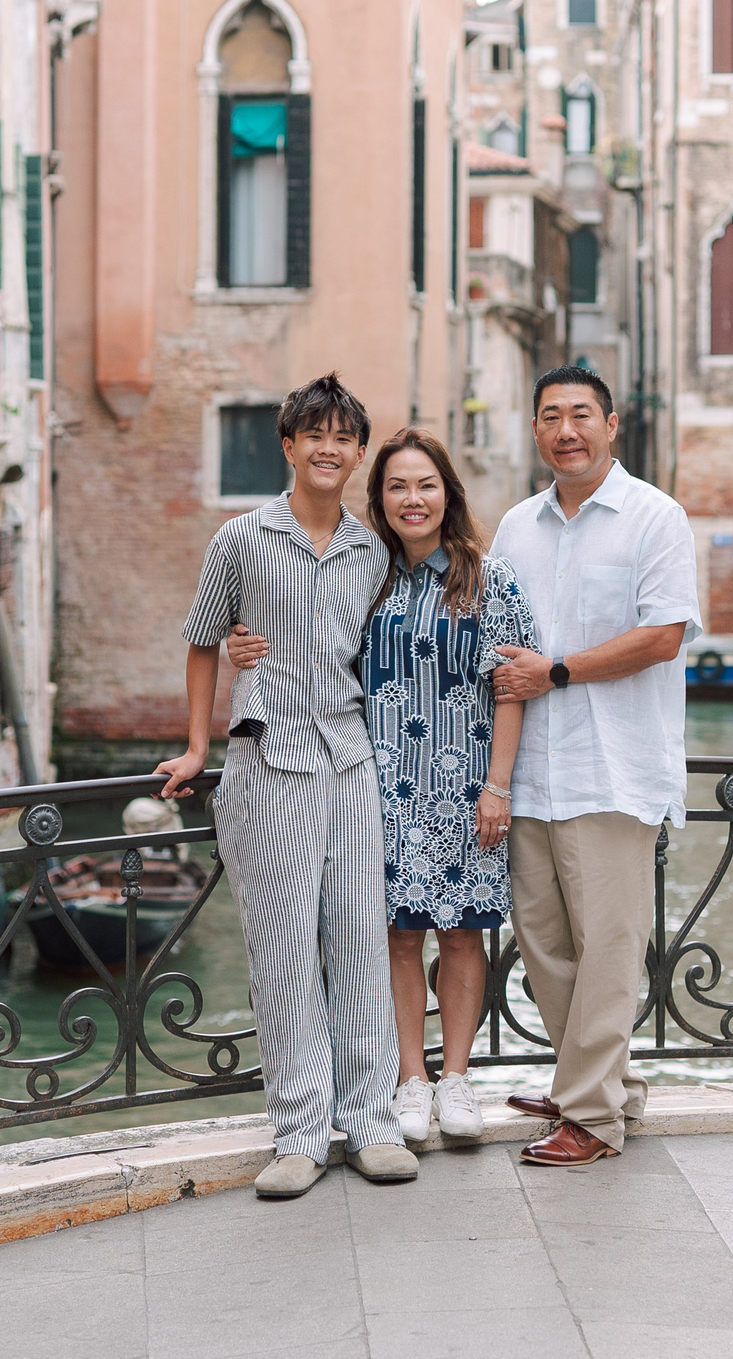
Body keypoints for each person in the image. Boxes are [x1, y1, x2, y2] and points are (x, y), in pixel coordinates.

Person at [226, 430, 537, 1147]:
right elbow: (304, 634)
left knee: (462, 934)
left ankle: (455, 1077)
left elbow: (512, 688)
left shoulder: (490, 579)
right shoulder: (369, 572)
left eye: (426, 485)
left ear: (448, 493)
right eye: (397, 486)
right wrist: (244, 644)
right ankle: (409, 1078)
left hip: (465, 788)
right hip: (377, 784)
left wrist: (497, 787)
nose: (412, 499)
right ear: (381, 497)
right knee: (394, 937)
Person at [155, 374, 419, 1199]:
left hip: (353, 762)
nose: (328, 448)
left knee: (360, 943)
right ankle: (301, 1133)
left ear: (359, 451)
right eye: (315, 434)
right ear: (289, 444)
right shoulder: (240, 539)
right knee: (282, 952)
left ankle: (372, 1122)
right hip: (269, 762)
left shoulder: (374, 551)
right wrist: (197, 746)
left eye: (343, 436)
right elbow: (203, 640)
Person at [488, 365, 700, 1166]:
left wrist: (558, 670)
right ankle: (601, 1083)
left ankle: (591, 1116)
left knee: (609, 949)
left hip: (615, 769)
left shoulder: (655, 516)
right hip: (530, 772)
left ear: (611, 425)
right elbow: (490, 631)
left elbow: (664, 636)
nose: (566, 430)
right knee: (545, 945)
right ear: (535, 430)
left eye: (581, 414)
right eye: (551, 416)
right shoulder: (516, 526)